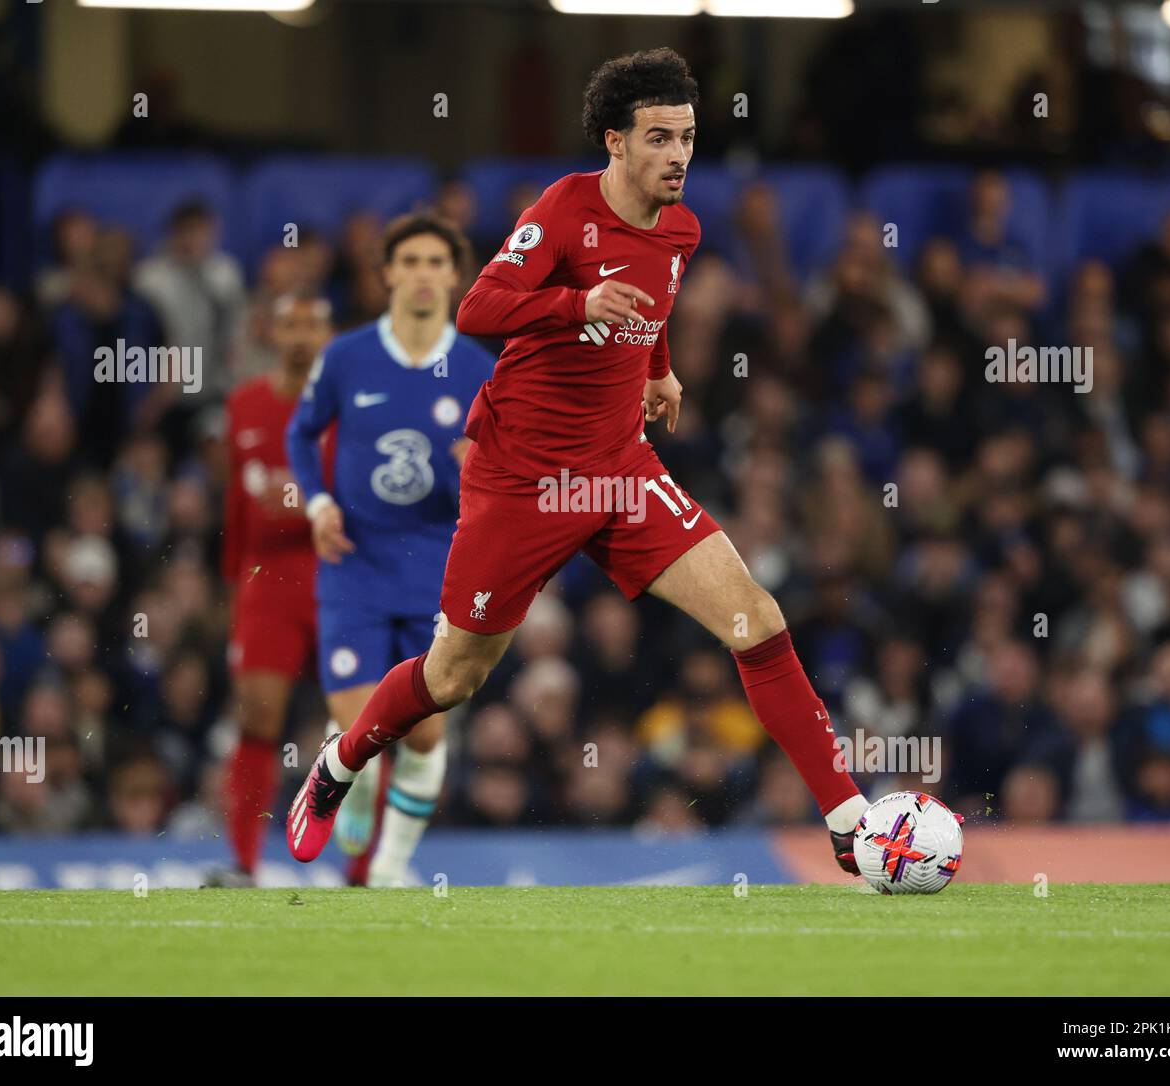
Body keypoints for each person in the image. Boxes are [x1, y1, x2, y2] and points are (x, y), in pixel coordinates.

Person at [286, 47, 868, 875]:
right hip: (523, 477)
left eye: (688, 138)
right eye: (659, 138)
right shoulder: (564, 209)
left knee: (758, 619)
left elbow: (652, 300)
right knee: (452, 677)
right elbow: (480, 304)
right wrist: (573, 302)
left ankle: (848, 818)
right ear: (615, 143)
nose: (678, 156)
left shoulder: (684, 229)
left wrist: (658, 367)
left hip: (621, 472)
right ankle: (341, 764)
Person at [287, 214, 495, 886]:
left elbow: (511, 471)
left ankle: (390, 867)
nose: (424, 274)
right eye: (410, 261)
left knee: (427, 734)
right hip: (354, 565)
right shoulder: (346, 356)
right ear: (387, 275)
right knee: (362, 731)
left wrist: (481, 468)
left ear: (456, 276)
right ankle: (359, 785)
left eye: (438, 262)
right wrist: (317, 503)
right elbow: (301, 434)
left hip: (438, 569)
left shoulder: (478, 369)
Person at [213, 292, 332, 884]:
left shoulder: (350, 406)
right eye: (289, 325)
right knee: (257, 718)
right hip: (267, 585)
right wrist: (232, 583)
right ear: (270, 333)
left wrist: (286, 502)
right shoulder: (245, 405)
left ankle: (364, 866)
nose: (301, 336)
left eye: (311, 323)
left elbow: (352, 501)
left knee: (361, 727)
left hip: (339, 578)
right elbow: (240, 507)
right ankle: (243, 862)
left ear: (328, 333)